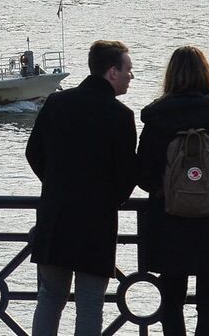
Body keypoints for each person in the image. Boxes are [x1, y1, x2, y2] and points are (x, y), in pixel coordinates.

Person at [135, 45, 209, 336]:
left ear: (170, 76)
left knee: (172, 305)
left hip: (168, 226)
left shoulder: (156, 119)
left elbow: (143, 175)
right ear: (206, 75)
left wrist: (165, 190)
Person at [26, 40, 137, 336]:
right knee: (89, 306)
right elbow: (127, 176)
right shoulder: (121, 116)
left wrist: (56, 184)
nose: (131, 76)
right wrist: (108, 198)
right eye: (128, 69)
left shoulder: (57, 102)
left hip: (55, 217)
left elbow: (33, 152)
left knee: (49, 299)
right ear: (112, 72)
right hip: (96, 223)